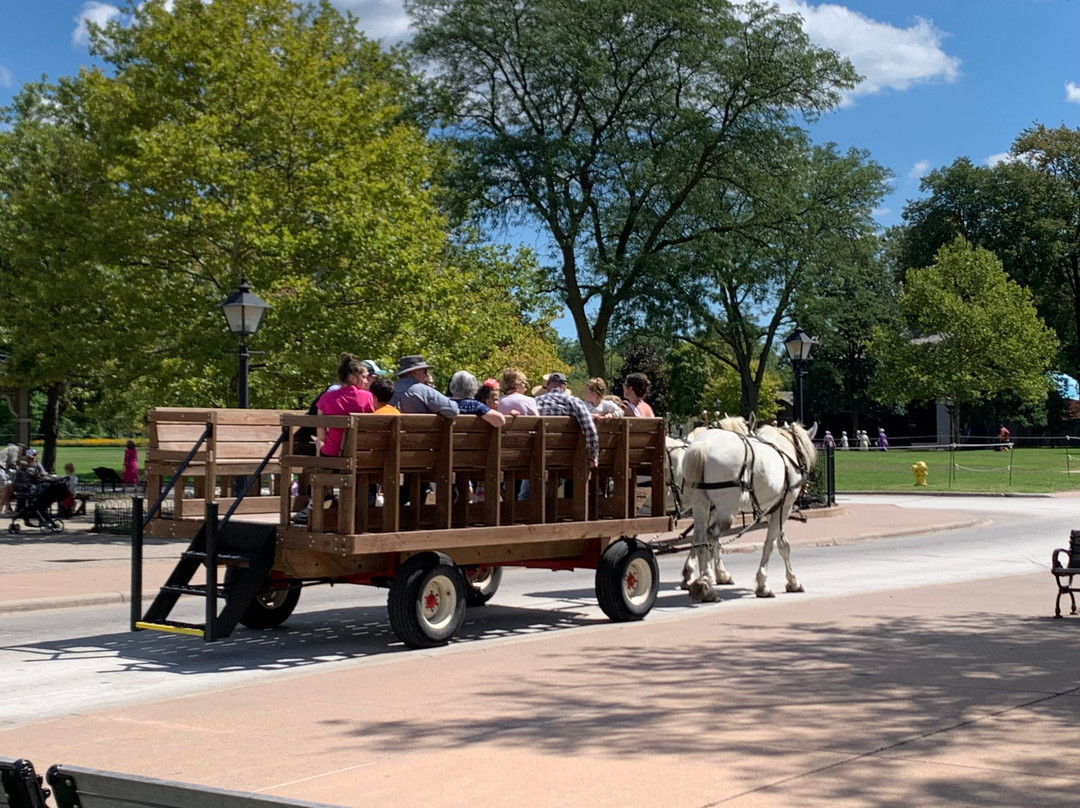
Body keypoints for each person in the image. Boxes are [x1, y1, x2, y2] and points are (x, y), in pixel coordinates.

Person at [316, 353, 376, 457]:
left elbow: (321, 430)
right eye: (364, 377)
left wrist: (322, 446)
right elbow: (370, 426)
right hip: (359, 452)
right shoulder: (367, 397)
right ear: (352, 378)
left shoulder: (326, 398)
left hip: (332, 453)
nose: (366, 381)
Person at [535, 372, 598, 468]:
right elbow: (590, 429)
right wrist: (592, 456)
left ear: (548, 387)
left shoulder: (536, 401)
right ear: (564, 386)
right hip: (569, 457)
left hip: (540, 455)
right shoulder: (575, 402)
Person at [390, 355, 459, 418]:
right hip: (419, 431)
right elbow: (453, 410)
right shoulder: (422, 391)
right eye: (425, 371)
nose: (426, 375)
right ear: (414, 372)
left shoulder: (388, 390)